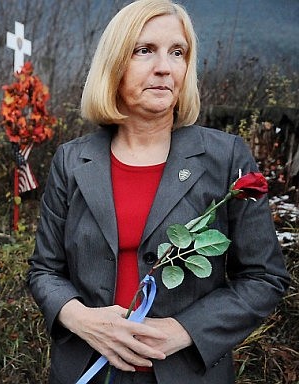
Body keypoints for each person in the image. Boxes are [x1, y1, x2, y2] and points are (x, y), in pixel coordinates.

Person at [26, 0, 290, 383]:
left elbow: (264, 278)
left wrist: (185, 330)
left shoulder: (225, 156)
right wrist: (81, 318)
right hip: (88, 370)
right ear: (115, 64)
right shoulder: (72, 161)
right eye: (144, 50)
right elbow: (44, 270)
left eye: (178, 52)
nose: (164, 67)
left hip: (188, 373)